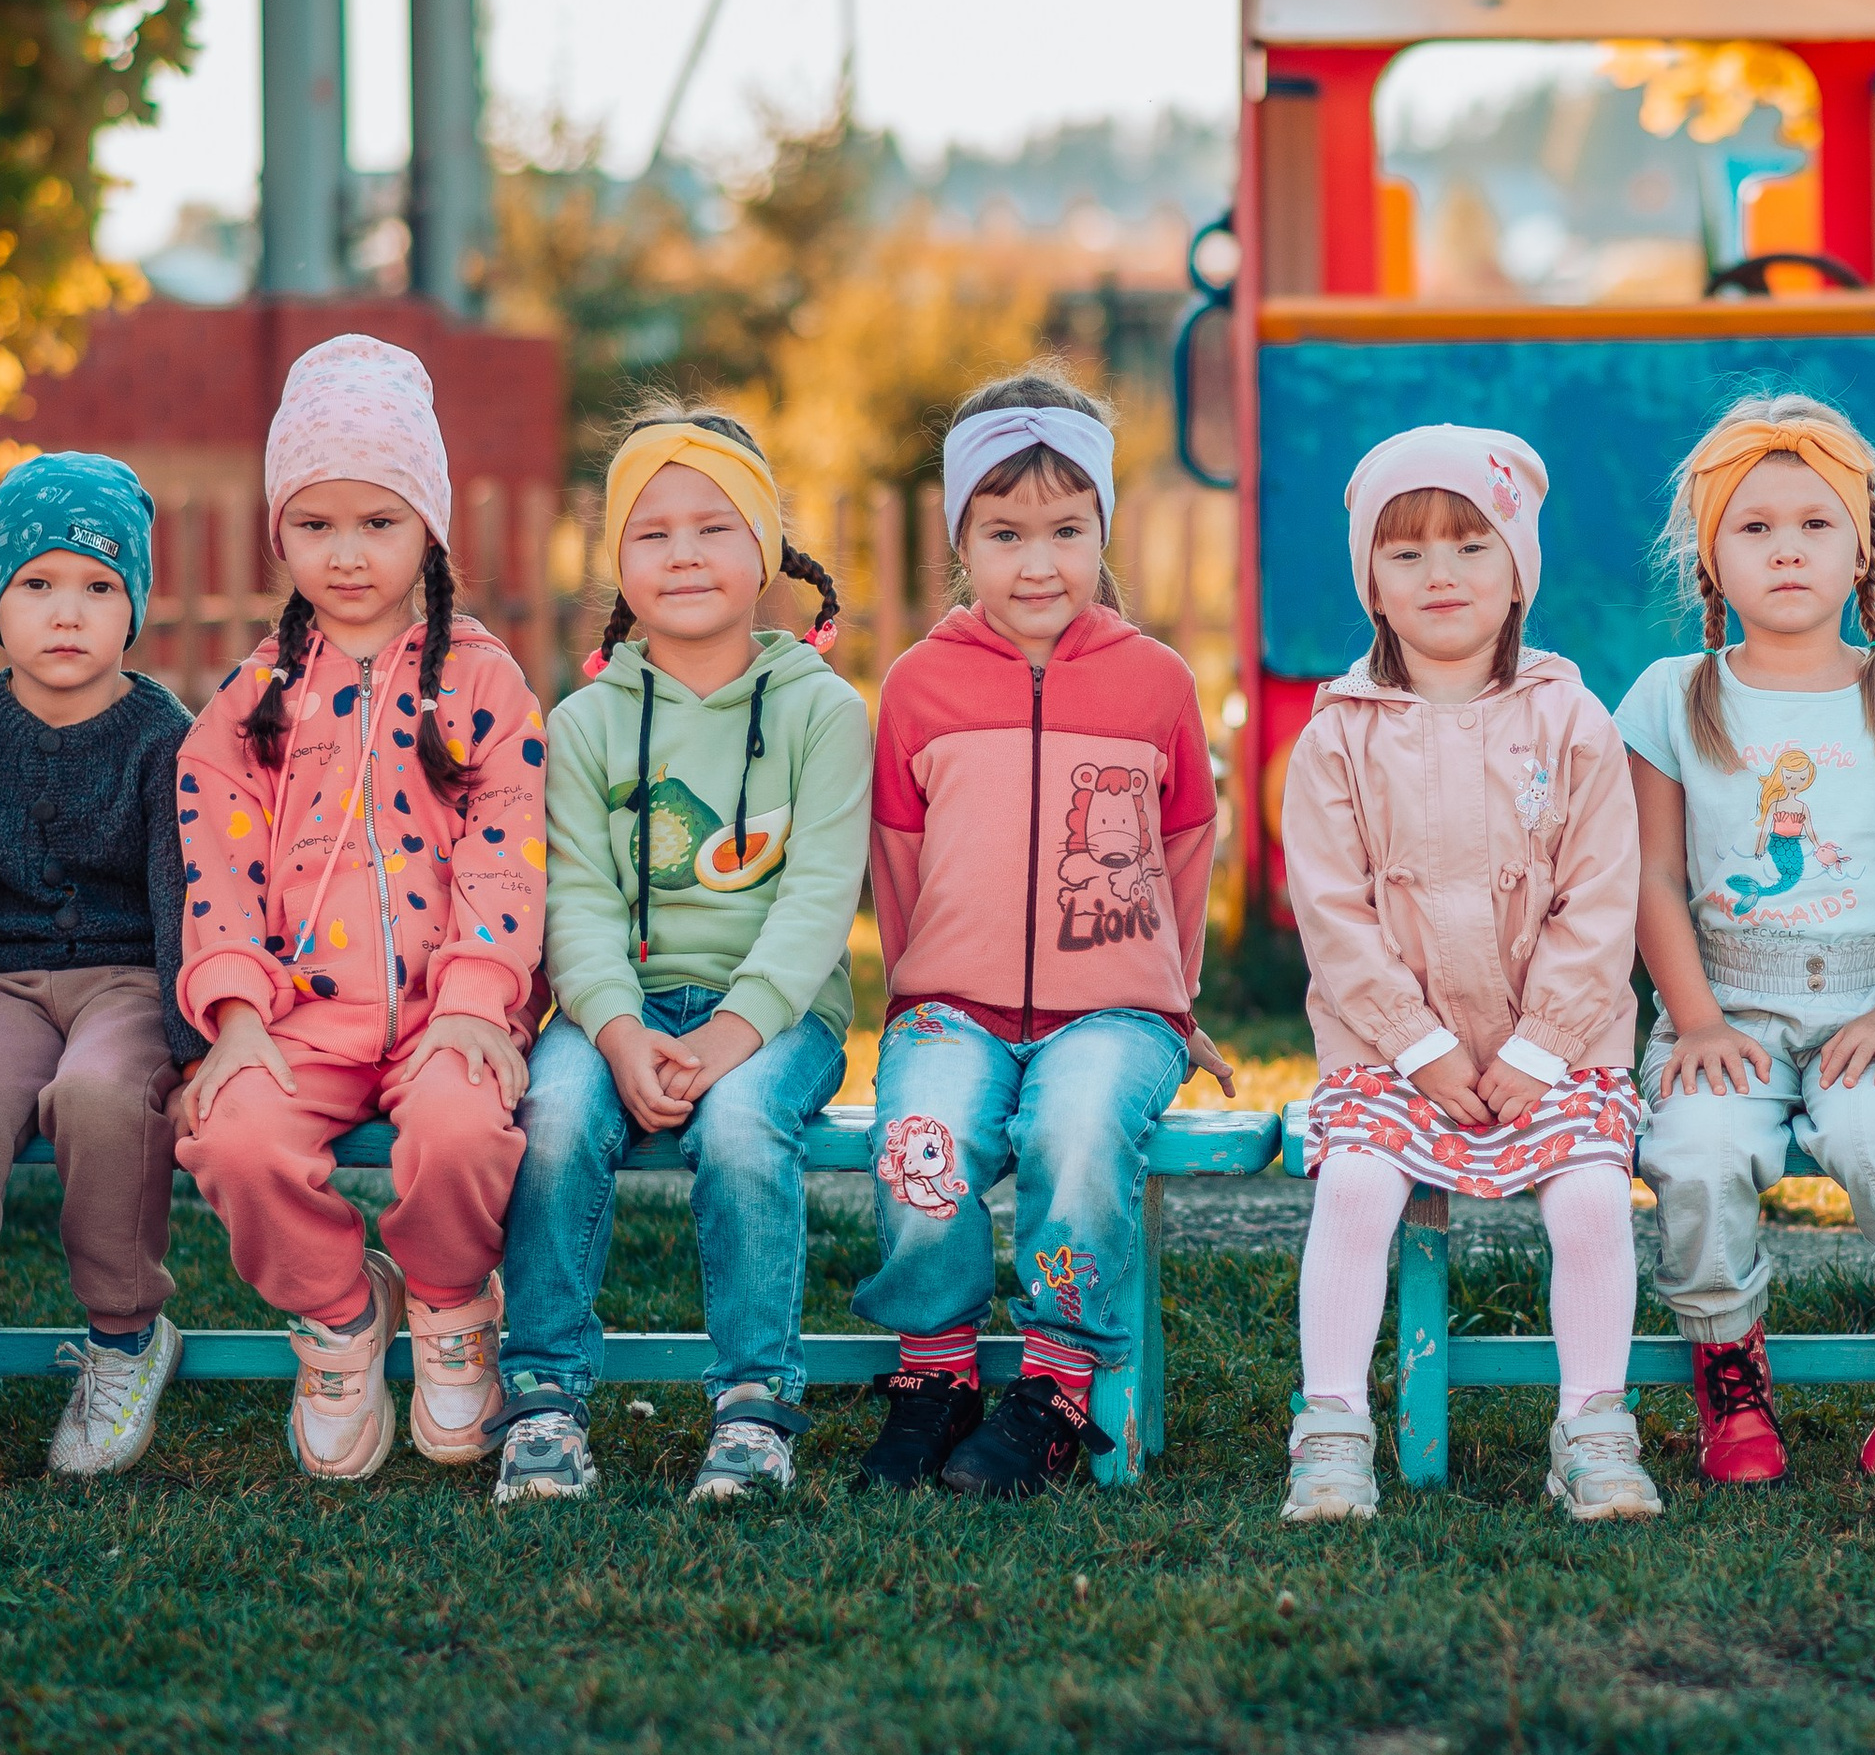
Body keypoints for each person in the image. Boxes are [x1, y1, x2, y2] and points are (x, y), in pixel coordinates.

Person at [174, 336, 546, 1480]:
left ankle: (445, 1299)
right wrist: (236, 1013)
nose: (346, 553)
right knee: (232, 1137)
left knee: (459, 1130)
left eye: (378, 523)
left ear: (427, 530)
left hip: (449, 1008)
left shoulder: (481, 681)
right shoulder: (250, 704)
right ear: (279, 532)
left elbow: (508, 844)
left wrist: (483, 998)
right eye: (316, 523)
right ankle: (339, 1313)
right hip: (303, 1017)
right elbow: (214, 870)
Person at [855, 369, 1226, 1499]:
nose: (1036, 562)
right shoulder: (917, 687)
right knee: (921, 1138)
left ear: (1100, 530)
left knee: (1073, 1126)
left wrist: (1170, 996)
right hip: (950, 1005)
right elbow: (898, 869)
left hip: (1115, 1013)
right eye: (1004, 531)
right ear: (960, 536)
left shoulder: (1156, 683)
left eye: (1067, 530)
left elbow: (1185, 856)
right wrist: (923, 997)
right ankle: (936, 1376)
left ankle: (1056, 1388)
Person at [1280, 424, 1658, 1525]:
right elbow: (1333, 913)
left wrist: (1543, 1045)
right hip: (1392, 1049)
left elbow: (1600, 898)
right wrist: (1419, 1043)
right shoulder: (1337, 736)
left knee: (1591, 1197)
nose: (1440, 573)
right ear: (1372, 586)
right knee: (1354, 1189)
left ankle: (1592, 1424)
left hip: (1558, 1046)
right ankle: (1333, 1425)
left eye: (1470, 545)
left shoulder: (1572, 720)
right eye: (1406, 553)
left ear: (1516, 571)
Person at [492, 404, 869, 1506]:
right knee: (553, 1120)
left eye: (714, 526)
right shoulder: (585, 723)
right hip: (616, 1007)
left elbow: (816, 898)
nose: (686, 553)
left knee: (747, 1128)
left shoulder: (822, 709)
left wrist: (729, 1033)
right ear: (617, 561)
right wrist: (613, 1029)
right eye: (652, 533)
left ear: (764, 550)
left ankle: (754, 1408)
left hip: (777, 1014)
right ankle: (545, 1402)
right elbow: (576, 898)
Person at [1619, 395, 1875, 1487]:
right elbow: (1652, 875)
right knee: (1695, 1149)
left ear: (1861, 541)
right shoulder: (1672, 700)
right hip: (1725, 1006)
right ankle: (1727, 1367)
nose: (1786, 548)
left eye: (1815, 524)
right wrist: (1693, 1020)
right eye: (1754, 526)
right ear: (1709, 558)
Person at [0, 453, 201, 1474]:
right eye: (35, 583)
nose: (65, 612)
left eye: (97, 584)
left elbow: (182, 901)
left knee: (99, 1098)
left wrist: (193, 1044)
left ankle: (125, 1338)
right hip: (9, 986)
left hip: (127, 978)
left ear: (135, 608)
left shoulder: (163, 737)